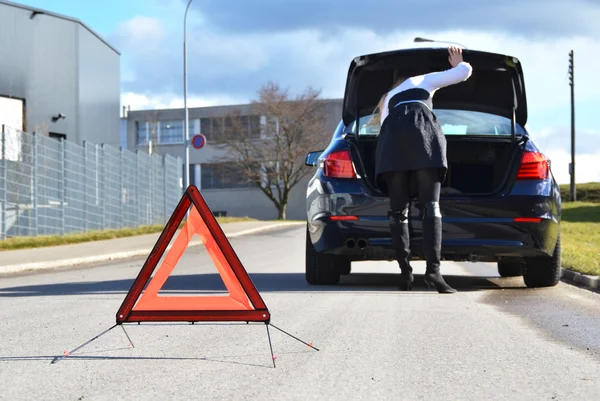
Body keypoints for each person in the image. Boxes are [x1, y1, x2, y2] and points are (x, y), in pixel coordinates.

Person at [370, 46, 473, 293]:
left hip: (391, 144)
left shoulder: (388, 102)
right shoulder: (421, 80)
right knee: (430, 206)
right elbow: (464, 72)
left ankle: (405, 274)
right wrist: (458, 62)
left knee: (398, 211)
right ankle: (434, 274)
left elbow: (384, 131)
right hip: (423, 136)